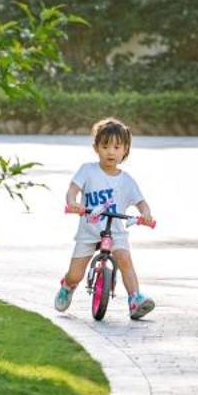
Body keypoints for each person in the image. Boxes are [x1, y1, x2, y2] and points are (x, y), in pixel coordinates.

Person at [54, 118, 157, 320]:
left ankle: (135, 299)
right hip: (89, 231)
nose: (111, 152)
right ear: (96, 148)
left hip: (116, 231)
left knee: (125, 260)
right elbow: (72, 190)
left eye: (117, 147)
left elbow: (141, 202)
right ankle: (67, 286)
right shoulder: (88, 170)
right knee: (75, 273)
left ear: (125, 150)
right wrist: (73, 202)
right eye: (105, 146)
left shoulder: (127, 180)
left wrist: (145, 213)